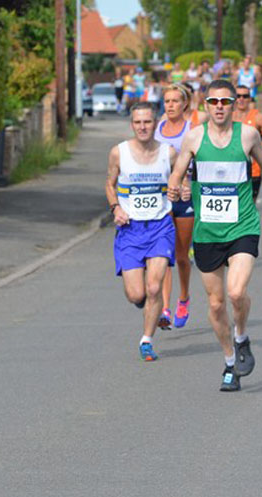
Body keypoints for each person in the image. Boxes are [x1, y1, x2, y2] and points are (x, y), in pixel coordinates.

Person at [168, 80, 262, 391]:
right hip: (207, 231)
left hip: (242, 226)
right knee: (216, 304)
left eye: (225, 101)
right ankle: (230, 361)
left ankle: (241, 335)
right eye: (213, 101)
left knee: (235, 292)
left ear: (234, 104)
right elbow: (177, 173)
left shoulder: (246, 135)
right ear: (205, 105)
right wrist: (175, 186)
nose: (219, 106)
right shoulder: (193, 138)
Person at [105, 102, 177, 362]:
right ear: (132, 124)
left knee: (155, 287)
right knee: (137, 294)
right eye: (138, 122)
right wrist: (115, 208)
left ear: (155, 123)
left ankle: (146, 340)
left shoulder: (168, 153)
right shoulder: (119, 153)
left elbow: (181, 179)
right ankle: (145, 303)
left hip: (160, 227)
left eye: (147, 122)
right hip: (130, 230)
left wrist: (181, 189)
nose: (143, 126)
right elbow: (109, 184)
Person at [154, 84, 196, 331]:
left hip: (185, 197)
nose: (170, 105)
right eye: (167, 101)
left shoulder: (192, 130)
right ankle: (165, 308)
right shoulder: (157, 128)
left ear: (184, 105)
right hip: (162, 197)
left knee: (181, 255)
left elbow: (199, 161)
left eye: (174, 101)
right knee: (165, 254)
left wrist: (189, 181)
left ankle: (184, 297)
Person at [233, 84, 262, 202]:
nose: (241, 99)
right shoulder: (227, 116)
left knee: (250, 203)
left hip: (253, 168)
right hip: (232, 166)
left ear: (250, 98)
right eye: (238, 96)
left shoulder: (258, 117)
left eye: (245, 96)